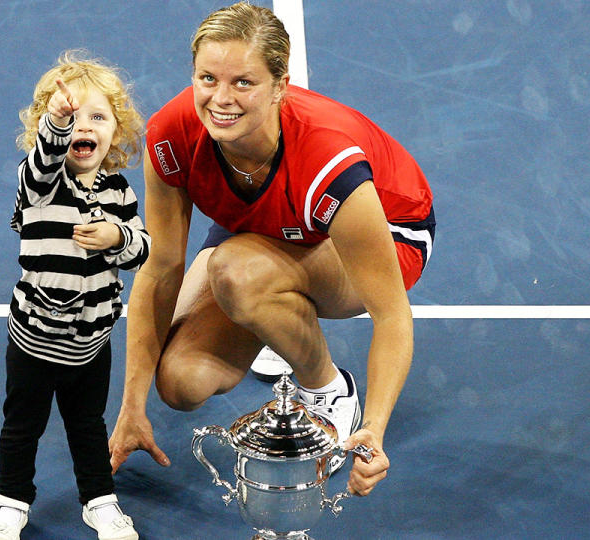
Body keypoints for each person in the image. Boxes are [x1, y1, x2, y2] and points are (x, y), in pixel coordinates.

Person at [108, 2, 434, 498]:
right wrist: (132, 406)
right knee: (180, 382)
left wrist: (375, 428)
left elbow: (392, 314)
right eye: (207, 78)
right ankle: (273, 315)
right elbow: (160, 270)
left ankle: (327, 387)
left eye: (244, 82)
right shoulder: (172, 136)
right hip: (263, 226)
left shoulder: (327, 159)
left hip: (386, 231)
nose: (221, 98)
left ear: (281, 85)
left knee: (237, 273)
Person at [0, 51, 149, 540]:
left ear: (115, 133)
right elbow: (43, 161)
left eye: (98, 117)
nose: (84, 126)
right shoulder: (38, 185)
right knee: (22, 427)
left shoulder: (119, 193)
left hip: (92, 344)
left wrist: (117, 238)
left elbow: (142, 250)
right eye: (71, 118)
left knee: (87, 426)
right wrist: (57, 122)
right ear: (46, 131)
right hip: (34, 339)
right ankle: (11, 504)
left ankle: (100, 502)